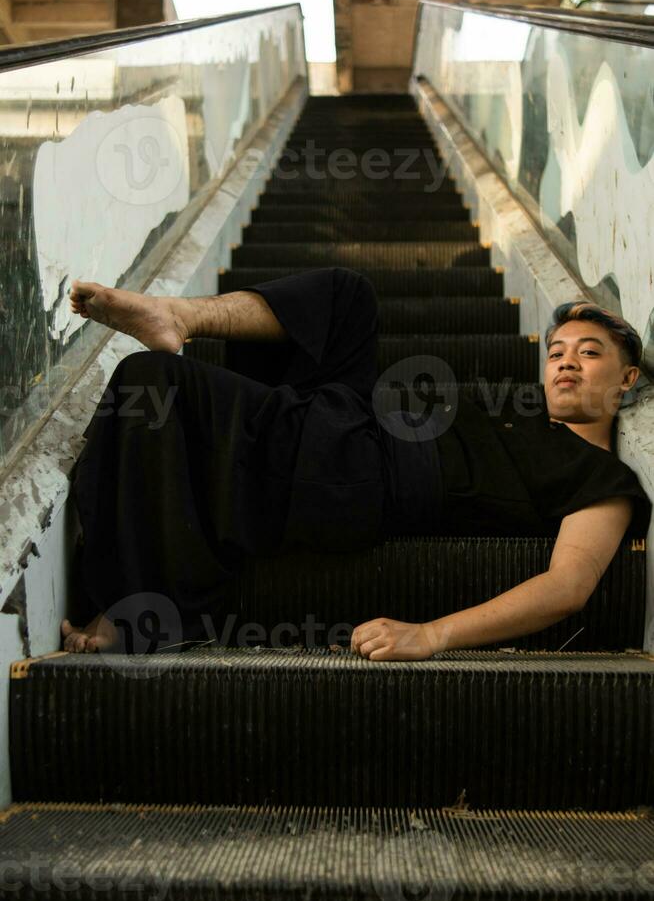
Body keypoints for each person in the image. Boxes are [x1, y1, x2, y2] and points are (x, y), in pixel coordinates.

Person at [60, 268, 651, 661]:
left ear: (628, 380)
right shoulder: (520, 418)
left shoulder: (604, 481)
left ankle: (136, 610)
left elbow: (568, 588)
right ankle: (177, 315)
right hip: (355, 414)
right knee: (348, 297)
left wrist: (430, 634)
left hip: (364, 471)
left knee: (153, 381)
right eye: (555, 352)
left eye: (589, 353)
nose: (565, 363)